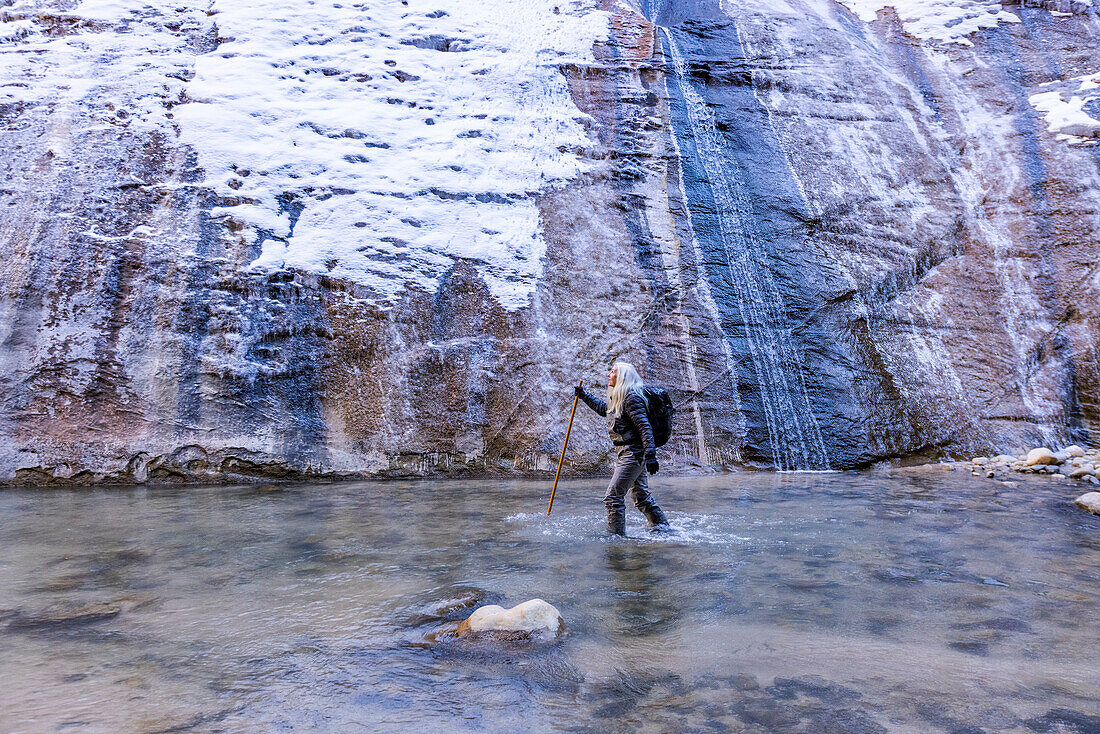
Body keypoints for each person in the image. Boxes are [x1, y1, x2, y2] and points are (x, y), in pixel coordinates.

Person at [575, 362, 671, 536]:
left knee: (613, 497)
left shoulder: (631, 398)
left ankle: (615, 538)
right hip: (629, 453)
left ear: (622, 377)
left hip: (633, 454)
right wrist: (585, 397)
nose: (609, 375)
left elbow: (644, 427)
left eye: (612, 372)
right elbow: (606, 410)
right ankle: (662, 528)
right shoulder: (622, 397)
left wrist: (651, 455)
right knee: (640, 496)